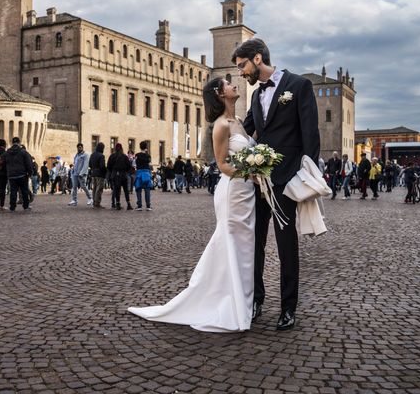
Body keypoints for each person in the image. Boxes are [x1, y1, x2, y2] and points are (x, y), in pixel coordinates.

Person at [129, 77, 255, 331]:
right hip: (233, 192)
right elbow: (222, 165)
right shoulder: (220, 126)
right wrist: (251, 172)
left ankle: (240, 302)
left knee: (244, 249)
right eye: (228, 83)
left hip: (246, 193)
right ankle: (228, 305)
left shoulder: (239, 122)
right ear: (220, 94)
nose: (234, 85)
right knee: (230, 243)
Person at [239, 38, 320, 330]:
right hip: (258, 182)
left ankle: (288, 308)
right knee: (255, 244)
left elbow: (310, 134)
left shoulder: (299, 86)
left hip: (286, 180)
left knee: (287, 246)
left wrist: (306, 174)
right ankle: (256, 301)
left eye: (242, 66)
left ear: (257, 59)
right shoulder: (254, 96)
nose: (240, 73)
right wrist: (220, 118)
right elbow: (247, 130)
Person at [5, 137, 33, 211]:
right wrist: (30, 172)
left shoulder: (7, 152)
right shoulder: (23, 152)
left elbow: (5, 162)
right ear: (19, 142)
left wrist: (7, 172)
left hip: (11, 175)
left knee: (13, 192)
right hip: (22, 175)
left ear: (12, 143)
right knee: (24, 191)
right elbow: (28, 163)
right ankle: (26, 206)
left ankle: (12, 207)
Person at [107, 143, 132, 210]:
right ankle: (128, 204)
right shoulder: (124, 156)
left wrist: (112, 171)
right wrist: (125, 171)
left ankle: (117, 203)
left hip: (115, 174)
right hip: (123, 174)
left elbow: (108, 166)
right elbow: (129, 166)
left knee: (117, 190)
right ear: (121, 148)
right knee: (125, 190)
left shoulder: (112, 156)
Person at [134, 141, 153, 211]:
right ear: (146, 147)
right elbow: (149, 162)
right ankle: (148, 205)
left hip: (139, 172)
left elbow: (135, 163)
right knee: (147, 189)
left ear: (140, 147)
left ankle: (139, 206)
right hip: (146, 172)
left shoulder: (137, 155)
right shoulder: (148, 155)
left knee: (138, 189)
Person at [89, 142, 107, 208]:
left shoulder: (92, 154)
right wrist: (106, 170)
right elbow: (102, 166)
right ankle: (97, 203)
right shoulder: (101, 155)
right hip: (100, 174)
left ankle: (94, 202)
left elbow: (89, 164)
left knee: (94, 189)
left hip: (93, 173)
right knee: (99, 189)